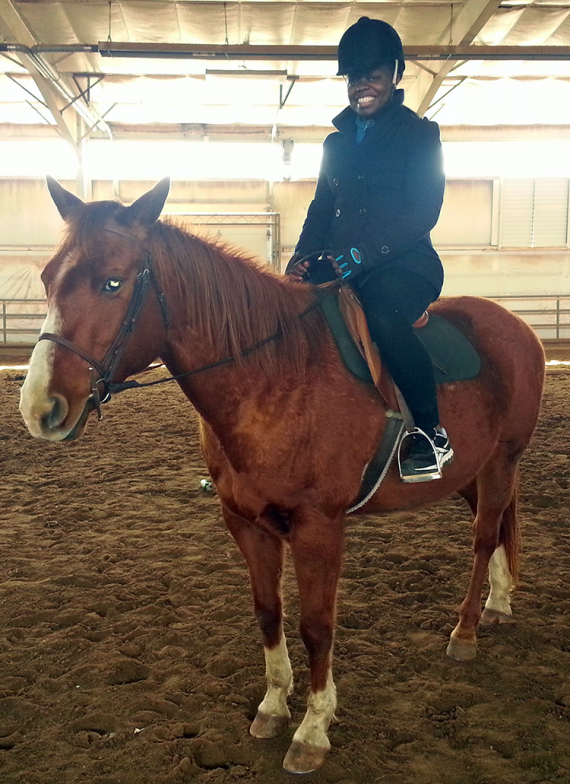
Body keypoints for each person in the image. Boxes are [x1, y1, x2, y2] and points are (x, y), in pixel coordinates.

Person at [286, 16, 453, 483]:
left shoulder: (420, 136)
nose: (361, 87)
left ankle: (431, 433)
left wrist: (360, 255)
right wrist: (300, 260)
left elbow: (423, 211)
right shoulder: (335, 145)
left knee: (382, 316)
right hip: (342, 265)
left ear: (395, 74)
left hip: (406, 265)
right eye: (353, 79)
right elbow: (321, 209)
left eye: (373, 76)